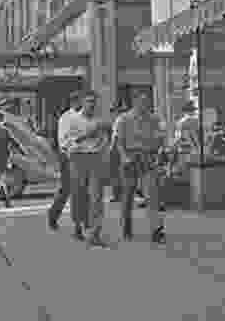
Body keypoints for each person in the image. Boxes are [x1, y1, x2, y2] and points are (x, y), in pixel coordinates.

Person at [114, 87, 166, 244]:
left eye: (146, 101)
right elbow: (117, 140)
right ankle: (126, 227)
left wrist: (157, 153)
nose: (145, 104)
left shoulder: (154, 119)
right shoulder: (123, 119)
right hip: (130, 158)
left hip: (148, 158)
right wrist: (124, 157)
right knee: (128, 196)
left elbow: (161, 138)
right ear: (135, 101)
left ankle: (156, 230)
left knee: (152, 196)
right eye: (141, 101)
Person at [67, 90, 110, 247]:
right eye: (89, 101)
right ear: (82, 102)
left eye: (94, 101)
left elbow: (105, 141)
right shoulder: (73, 120)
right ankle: (78, 226)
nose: (91, 104)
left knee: (97, 197)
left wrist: (102, 150)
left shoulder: (99, 121)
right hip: (79, 158)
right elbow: (66, 143)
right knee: (79, 194)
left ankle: (95, 234)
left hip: (96, 159)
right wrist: (85, 136)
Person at [47, 91, 83, 231]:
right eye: (80, 101)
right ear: (74, 102)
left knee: (81, 190)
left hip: (82, 156)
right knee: (67, 189)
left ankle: (81, 222)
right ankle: (53, 216)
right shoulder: (66, 118)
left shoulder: (83, 116)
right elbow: (63, 141)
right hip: (68, 157)